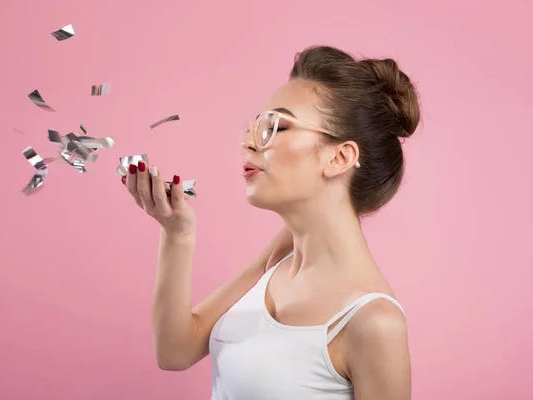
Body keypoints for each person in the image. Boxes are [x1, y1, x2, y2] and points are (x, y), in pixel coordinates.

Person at [120, 45, 420, 399]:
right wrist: (176, 234)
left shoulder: (373, 322)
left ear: (340, 156)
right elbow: (175, 351)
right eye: (255, 127)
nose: (248, 143)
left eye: (275, 127)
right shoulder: (280, 257)